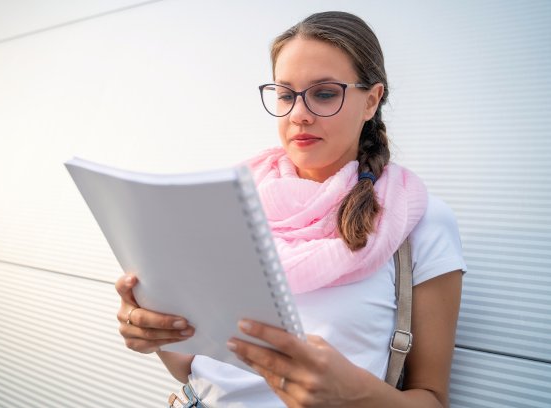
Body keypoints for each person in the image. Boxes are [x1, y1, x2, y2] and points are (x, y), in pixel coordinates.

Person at [115, 11, 465, 408]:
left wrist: (357, 395)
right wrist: (158, 335)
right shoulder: (228, 202)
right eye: (286, 95)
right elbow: (199, 367)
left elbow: (432, 399)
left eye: (325, 93)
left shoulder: (418, 220)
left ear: (372, 100)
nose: (299, 113)